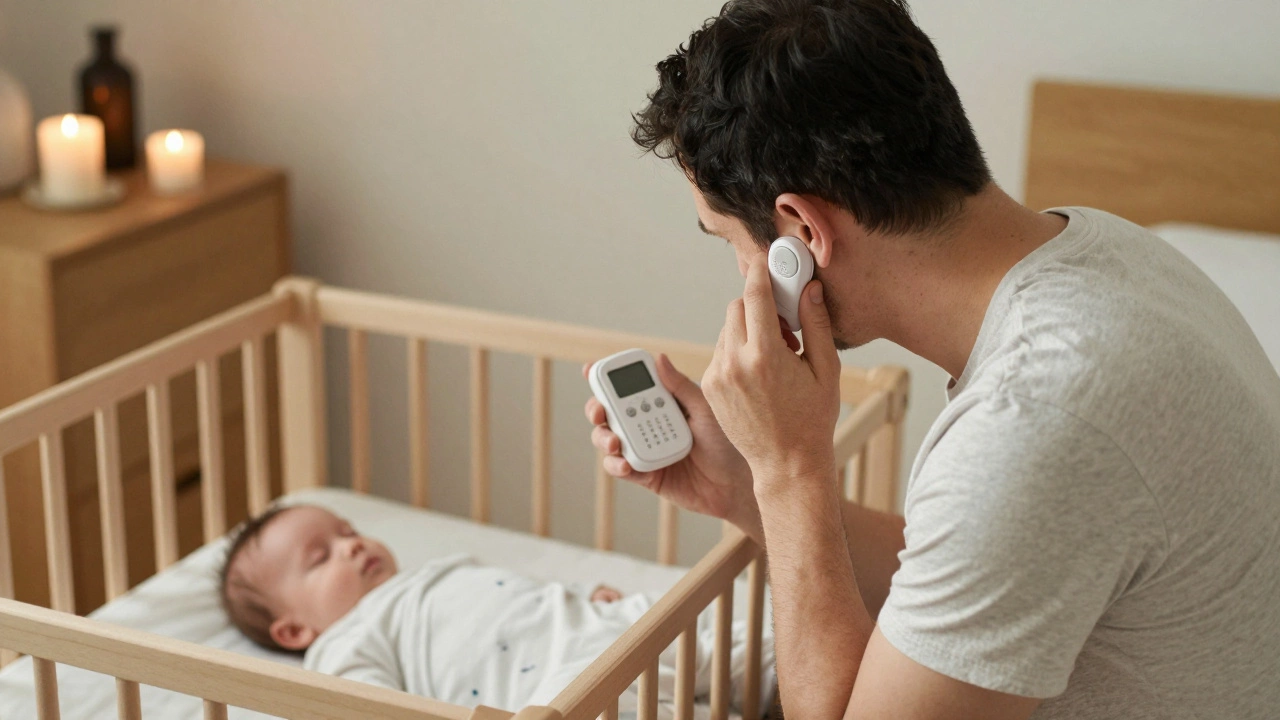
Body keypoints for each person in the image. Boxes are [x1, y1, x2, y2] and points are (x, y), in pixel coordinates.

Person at [583, 1, 1280, 718]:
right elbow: (968, 577)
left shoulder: (1036, 417)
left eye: (729, 240)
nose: (740, 272)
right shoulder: (1112, 251)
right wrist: (744, 486)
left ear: (800, 234)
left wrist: (791, 469)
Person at [218, 504, 773, 713]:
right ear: (294, 630)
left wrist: (590, 601)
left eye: (348, 531)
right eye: (321, 557)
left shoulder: (433, 573)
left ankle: (843, 682)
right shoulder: (346, 641)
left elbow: (528, 604)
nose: (353, 545)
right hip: (570, 689)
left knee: (763, 649)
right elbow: (368, 709)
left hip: (621, 628)